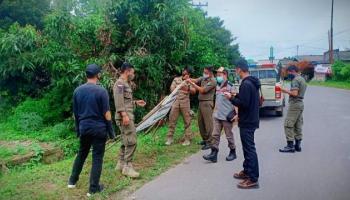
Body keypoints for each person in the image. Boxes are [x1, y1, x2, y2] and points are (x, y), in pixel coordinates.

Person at [68, 64, 116, 197]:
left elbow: (75, 114)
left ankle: (72, 181)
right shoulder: (101, 91)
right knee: (97, 158)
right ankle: (93, 188)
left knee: (81, 153)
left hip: (84, 128)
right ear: (98, 75)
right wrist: (111, 132)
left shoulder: (77, 91)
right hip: (99, 129)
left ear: (86, 75)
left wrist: (78, 129)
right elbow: (107, 113)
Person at [225, 59, 260, 189]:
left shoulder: (246, 84)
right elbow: (246, 98)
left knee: (249, 149)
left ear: (239, 69)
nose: (236, 71)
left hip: (247, 121)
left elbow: (243, 104)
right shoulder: (251, 82)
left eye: (236, 69)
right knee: (247, 148)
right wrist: (236, 94)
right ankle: (247, 171)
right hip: (251, 119)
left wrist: (231, 98)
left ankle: (253, 178)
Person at [113, 62, 146, 178]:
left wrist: (136, 102)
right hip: (125, 117)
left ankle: (121, 164)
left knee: (125, 140)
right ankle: (127, 166)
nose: (133, 74)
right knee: (132, 141)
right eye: (133, 72)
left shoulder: (125, 83)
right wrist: (124, 115)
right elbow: (118, 101)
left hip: (125, 115)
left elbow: (125, 101)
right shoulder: (120, 84)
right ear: (127, 71)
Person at [203, 67, 238, 163]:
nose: (218, 76)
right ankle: (214, 154)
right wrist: (214, 112)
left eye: (219, 74)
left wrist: (237, 114)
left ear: (225, 75)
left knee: (229, 135)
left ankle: (233, 152)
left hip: (227, 116)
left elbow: (236, 101)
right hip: (217, 115)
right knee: (215, 135)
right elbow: (218, 100)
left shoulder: (231, 86)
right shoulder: (218, 86)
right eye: (217, 74)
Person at [187, 66, 217, 150]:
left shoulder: (213, 81)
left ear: (210, 73)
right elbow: (196, 80)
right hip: (201, 103)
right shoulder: (204, 78)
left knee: (208, 123)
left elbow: (203, 90)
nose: (204, 74)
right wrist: (188, 79)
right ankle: (205, 139)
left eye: (206, 72)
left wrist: (192, 84)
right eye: (204, 72)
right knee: (200, 122)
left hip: (207, 103)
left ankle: (210, 141)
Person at [279, 65, 307, 153]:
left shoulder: (295, 80)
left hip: (295, 104)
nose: (288, 74)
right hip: (300, 104)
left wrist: (283, 90)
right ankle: (298, 145)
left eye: (289, 72)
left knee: (288, 124)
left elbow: (294, 93)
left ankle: (290, 146)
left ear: (293, 71)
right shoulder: (302, 79)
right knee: (298, 124)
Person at [166, 66, 196, 146]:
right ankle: (170, 138)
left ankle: (187, 139)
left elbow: (194, 91)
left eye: (186, 72)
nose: (184, 73)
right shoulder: (176, 79)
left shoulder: (190, 81)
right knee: (172, 120)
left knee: (187, 121)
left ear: (189, 73)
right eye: (183, 71)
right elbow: (172, 89)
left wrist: (188, 87)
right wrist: (180, 88)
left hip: (185, 102)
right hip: (175, 102)